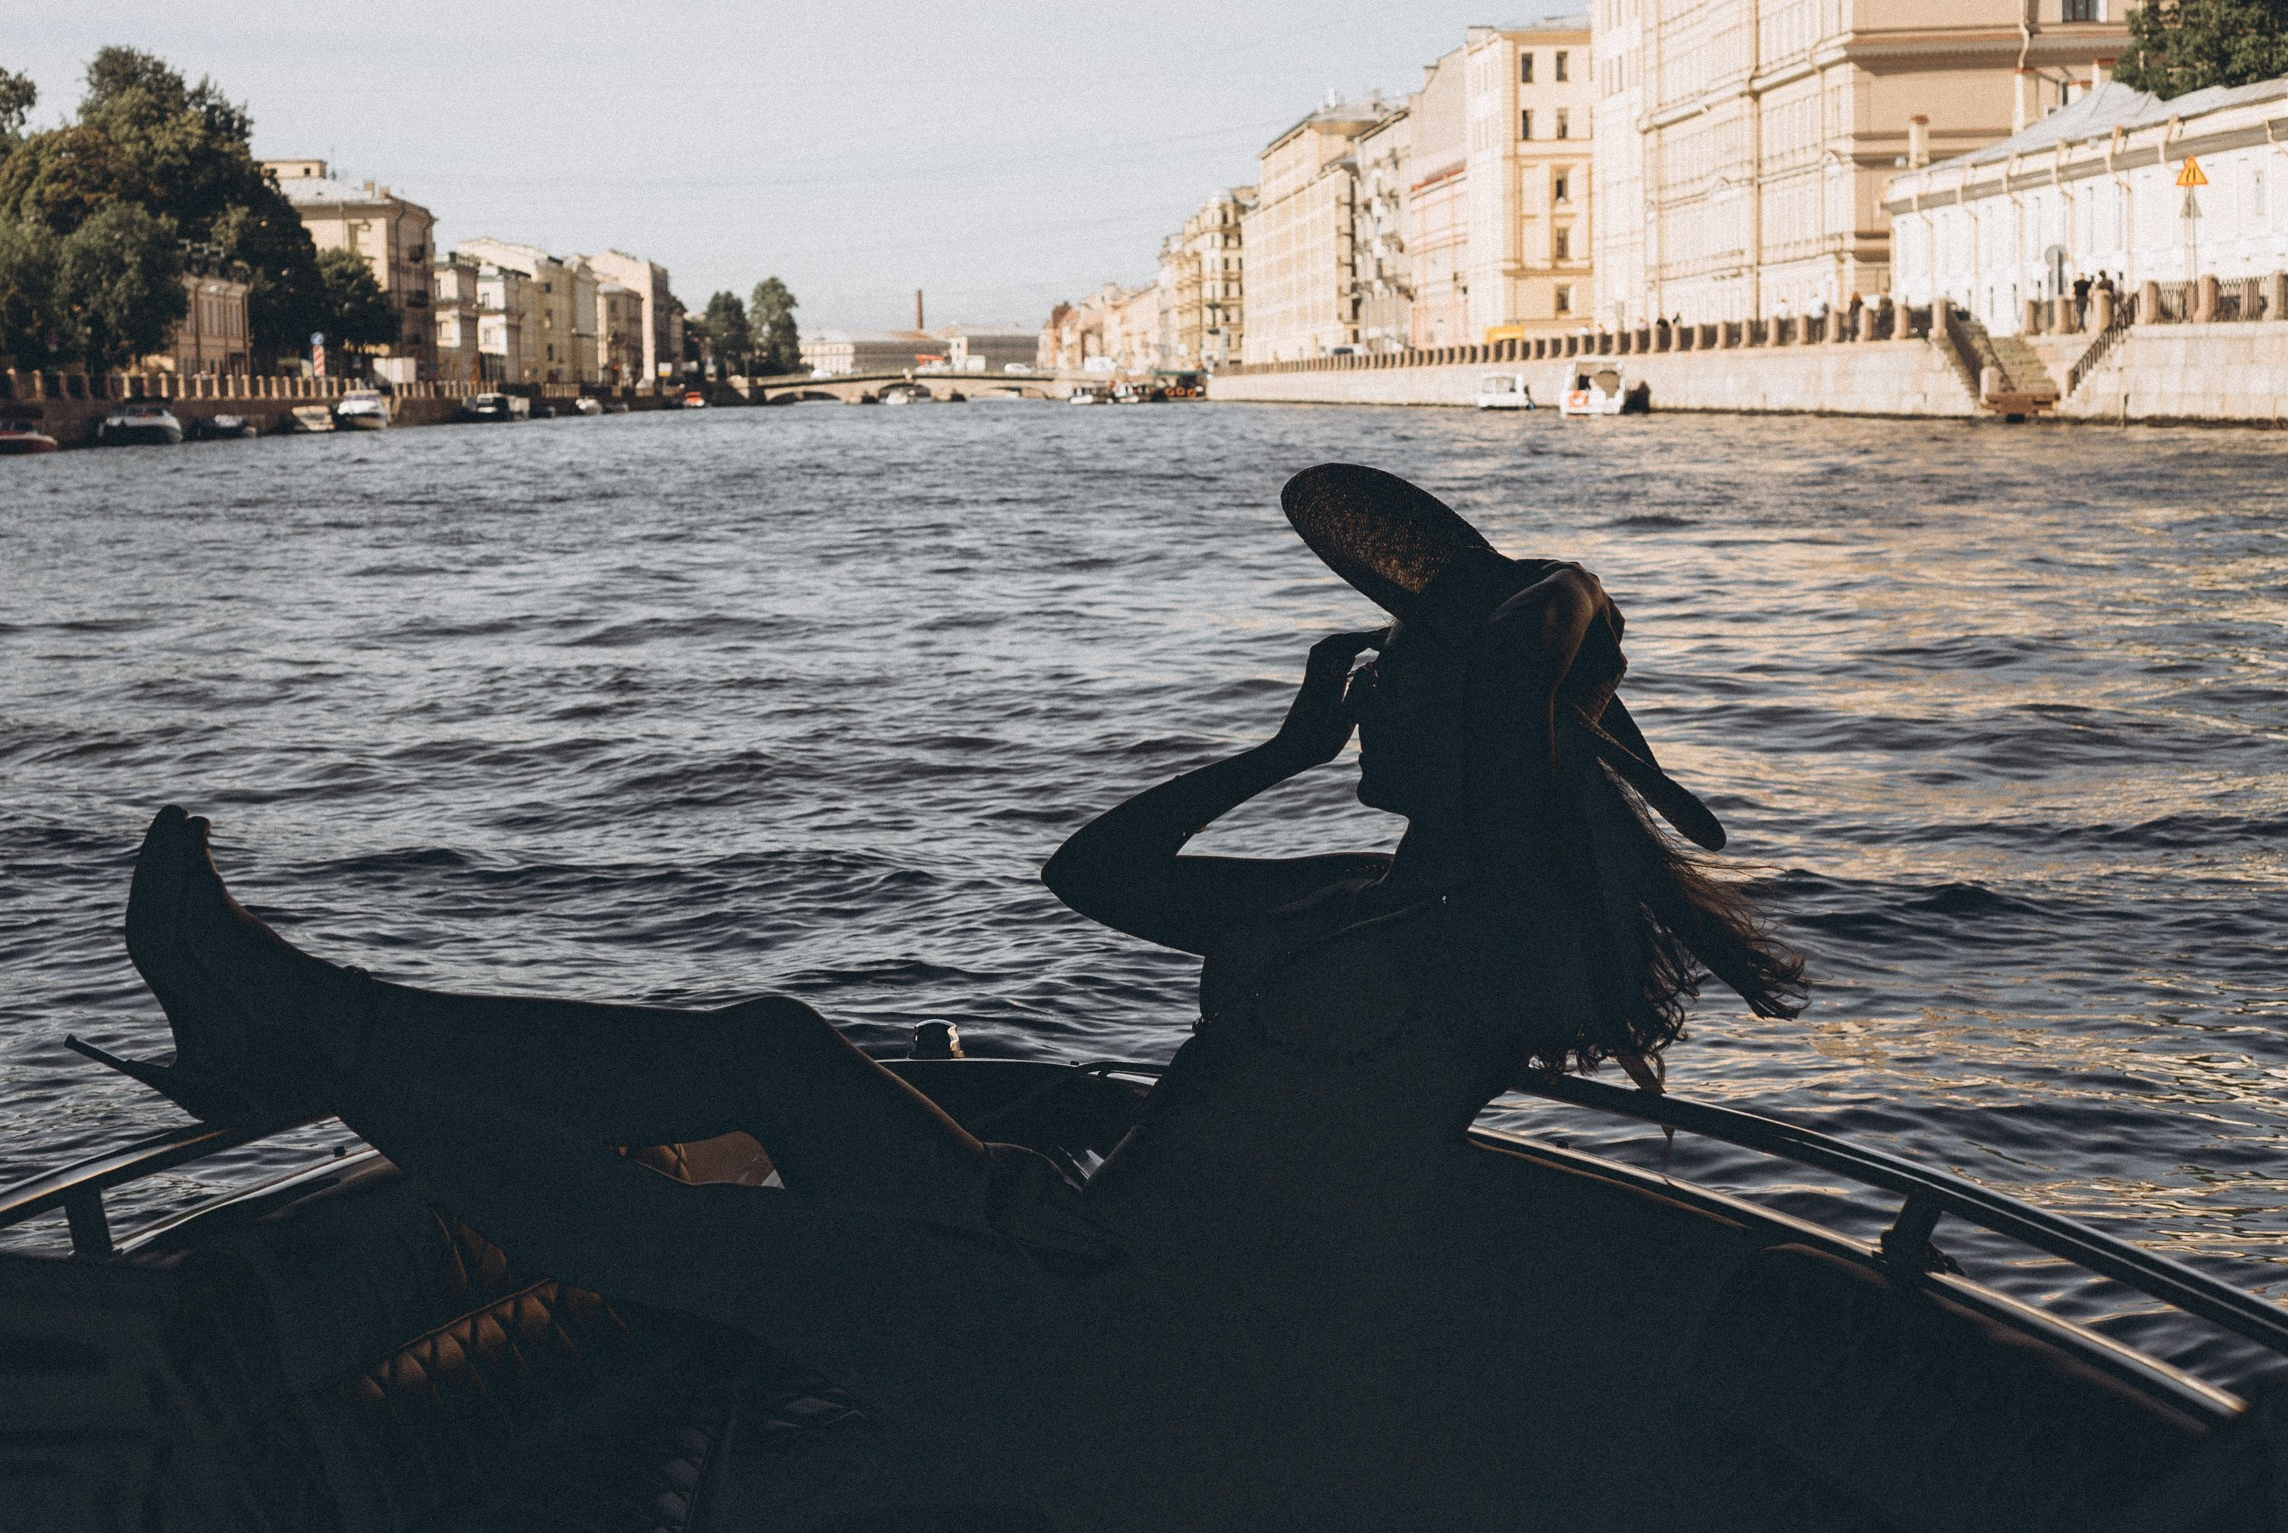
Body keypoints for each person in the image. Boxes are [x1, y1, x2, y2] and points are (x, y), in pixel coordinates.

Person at [88, 462, 1804, 1528]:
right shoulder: (1365, 897)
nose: (1372, 696)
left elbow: (1525, 676)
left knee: (706, 1244)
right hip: (1082, 1240)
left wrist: (1527, 623)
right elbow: (1095, 877)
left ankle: (307, 1045)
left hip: (1146, 1357)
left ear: (1502, 721)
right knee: (777, 1051)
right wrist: (1280, 750)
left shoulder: (1516, 938)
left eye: (1403, 679)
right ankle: (306, 1013)